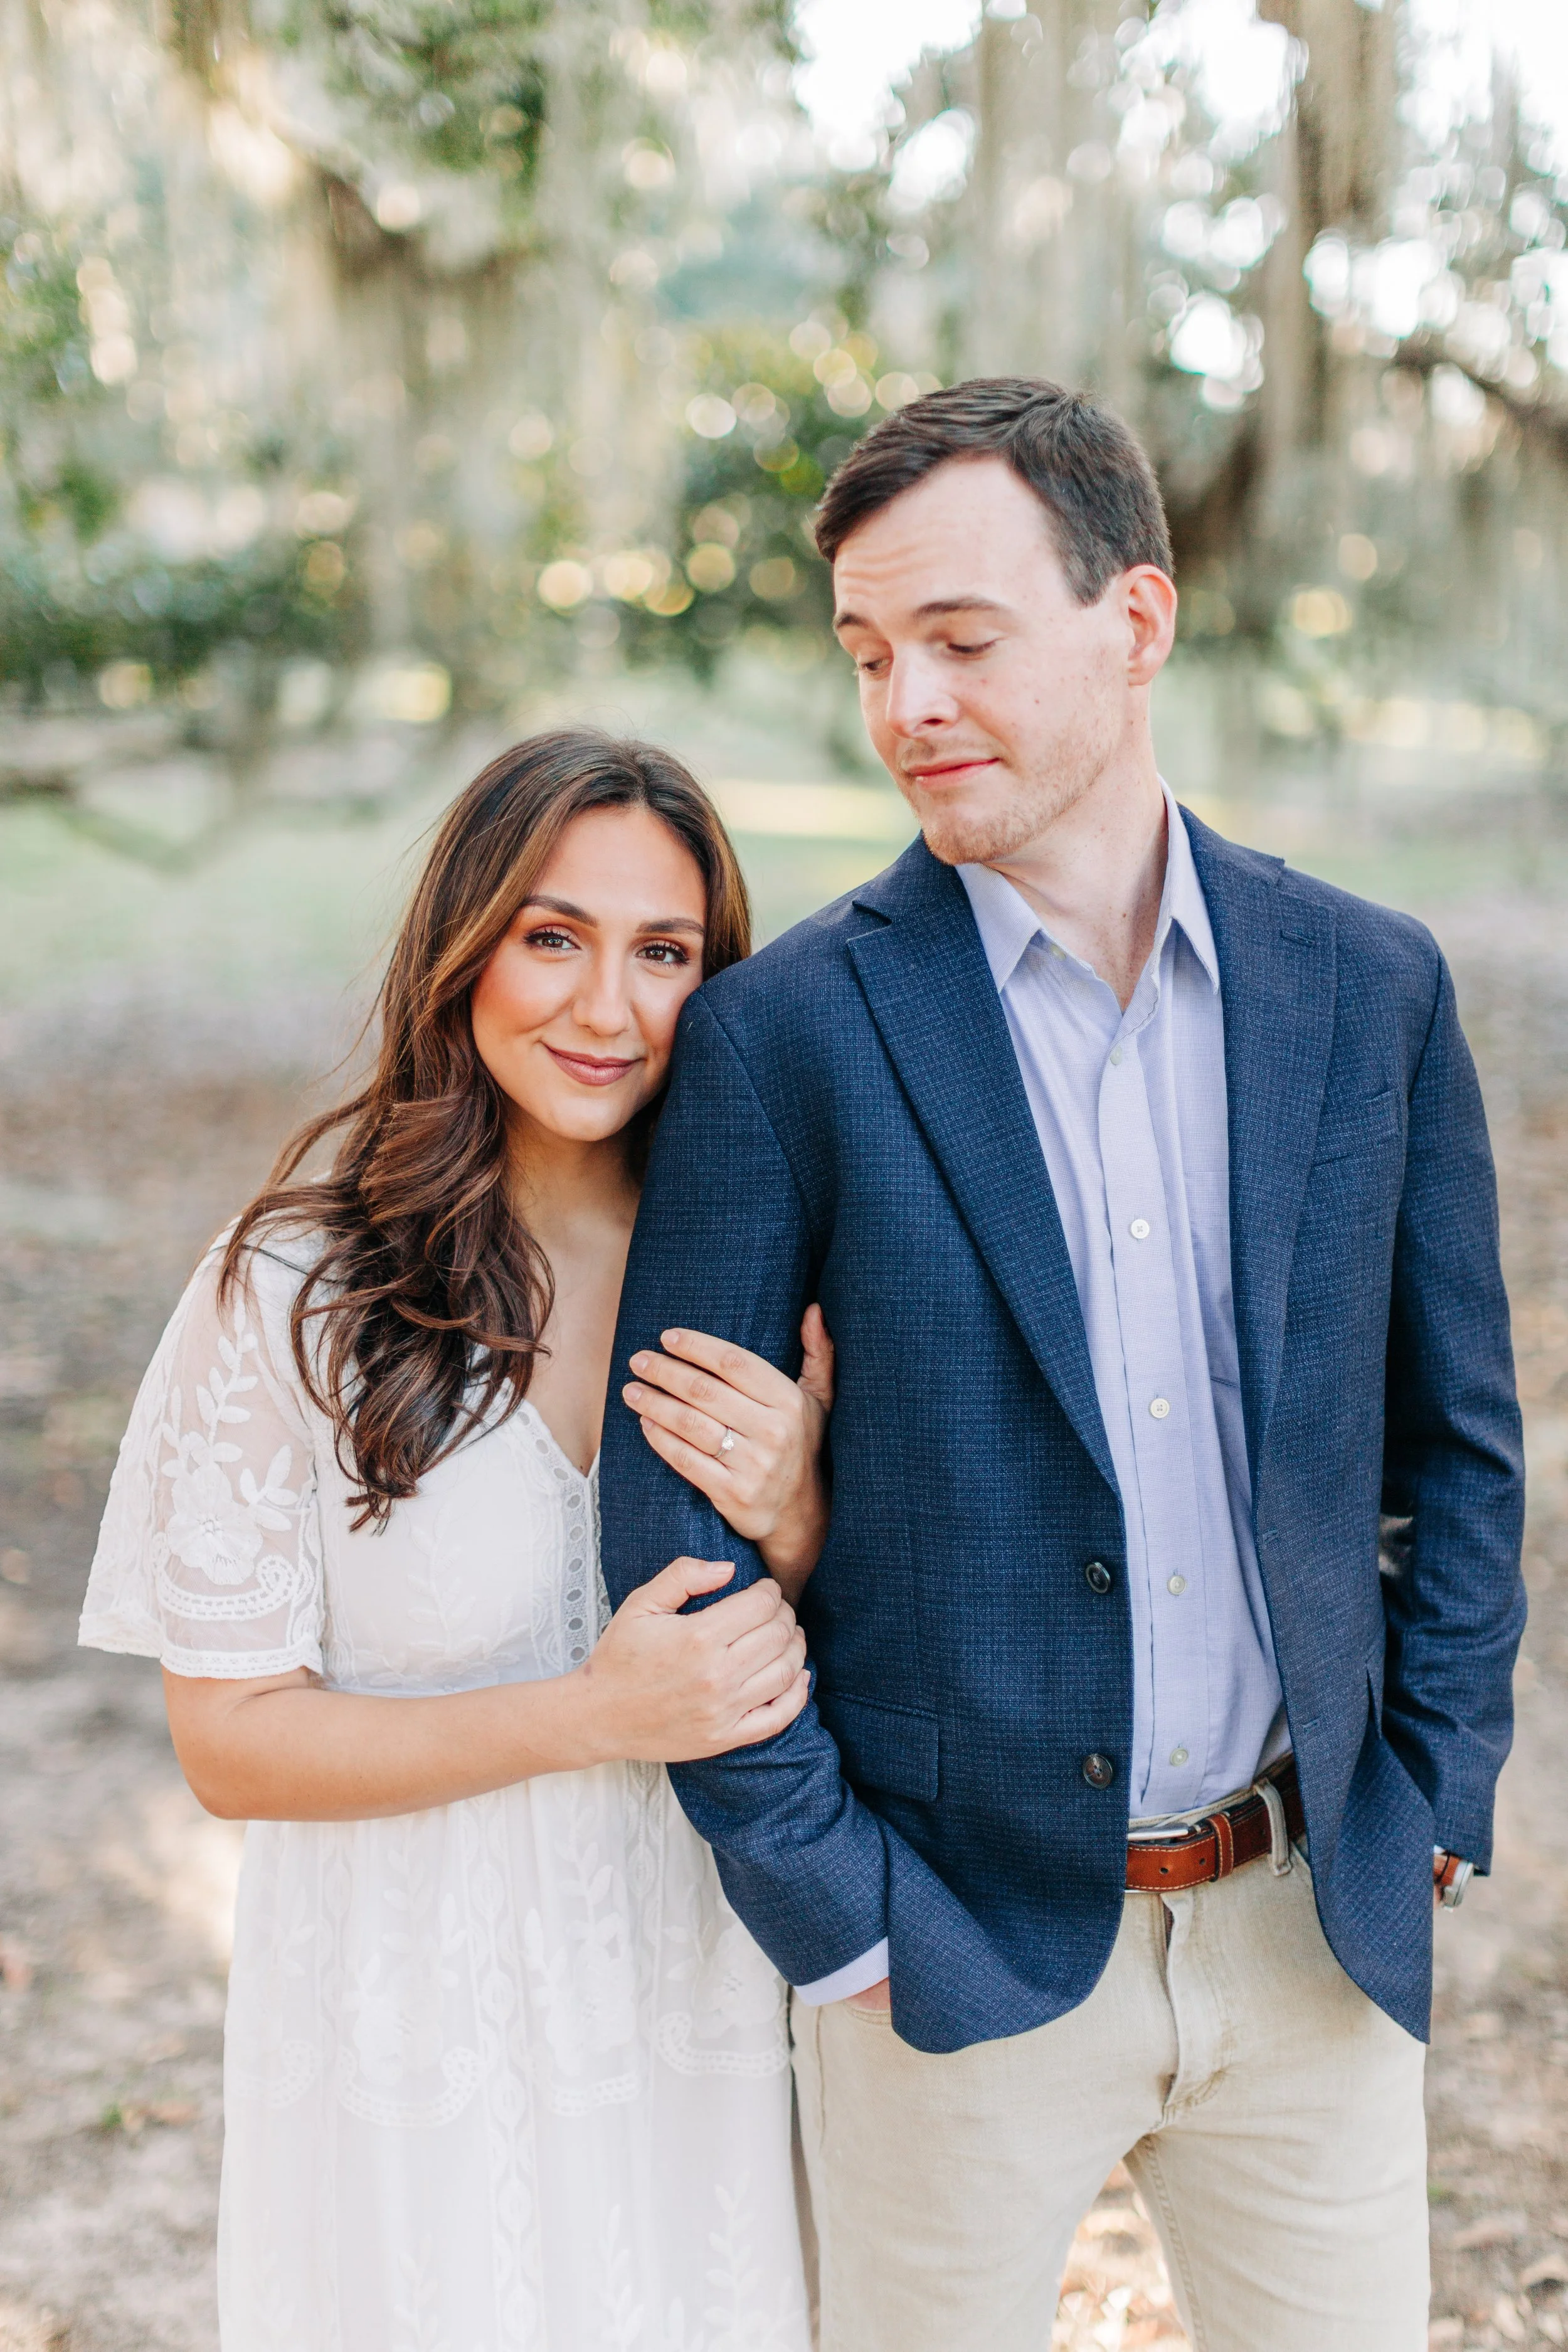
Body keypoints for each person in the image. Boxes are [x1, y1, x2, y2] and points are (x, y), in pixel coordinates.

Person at [600, 379, 1527, 2350]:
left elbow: (1456, 1439)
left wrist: (1435, 1785)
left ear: (1136, 618)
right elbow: (670, 1521)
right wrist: (837, 1910)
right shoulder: (787, 1034)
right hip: (944, 1943)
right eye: (867, 652)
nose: (905, 704)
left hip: (1306, 1924)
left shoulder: (1366, 985)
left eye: (959, 638)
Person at [78, 730, 834, 2352]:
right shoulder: (295, 1291)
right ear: (462, 946)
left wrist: (801, 1514)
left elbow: (863, 1651)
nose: (608, 1007)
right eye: (553, 936)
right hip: (410, 2028)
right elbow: (231, 1741)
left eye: (665, 952)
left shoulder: (770, 1274)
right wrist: (591, 1714)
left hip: (702, 2007)